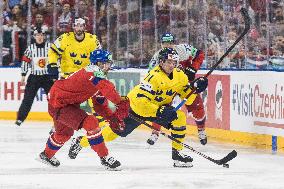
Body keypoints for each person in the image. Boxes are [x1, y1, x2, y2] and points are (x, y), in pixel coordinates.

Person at [69, 48, 208, 168]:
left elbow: (187, 96)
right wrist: (159, 111)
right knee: (113, 134)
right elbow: (141, 102)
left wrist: (194, 89)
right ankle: (80, 142)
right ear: (161, 62)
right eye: (169, 62)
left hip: (158, 109)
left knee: (180, 118)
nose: (172, 65)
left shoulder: (180, 76)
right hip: (135, 108)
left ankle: (177, 154)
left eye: (174, 62)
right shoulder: (153, 77)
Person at [39, 49, 130, 170]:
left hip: (63, 102)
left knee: (64, 134)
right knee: (91, 122)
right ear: (99, 63)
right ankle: (105, 158)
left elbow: (99, 105)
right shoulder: (93, 73)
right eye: (107, 62)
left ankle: (46, 155)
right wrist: (120, 102)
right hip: (59, 103)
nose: (109, 66)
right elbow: (107, 88)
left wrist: (112, 117)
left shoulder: (97, 77)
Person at [148, 32, 207, 146]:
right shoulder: (157, 57)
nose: (168, 46)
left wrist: (193, 68)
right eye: (165, 43)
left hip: (184, 84)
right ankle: (155, 132)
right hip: (168, 86)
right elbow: (151, 75)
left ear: (174, 43)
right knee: (161, 107)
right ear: (161, 44)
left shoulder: (183, 50)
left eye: (170, 43)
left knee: (197, 105)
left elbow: (199, 54)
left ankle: (201, 130)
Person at [15, 27, 54, 126]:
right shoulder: (30, 48)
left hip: (47, 77)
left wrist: (55, 74)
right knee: (28, 99)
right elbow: (25, 62)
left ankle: (58, 120)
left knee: (53, 99)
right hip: (34, 77)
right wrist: (23, 75)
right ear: (34, 37)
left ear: (44, 36)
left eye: (41, 35)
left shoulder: (50, 47)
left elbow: (55, 60)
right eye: (37, 35)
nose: (39, 37)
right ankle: (20, 119)